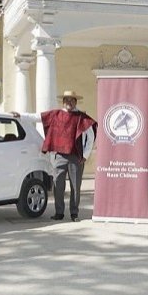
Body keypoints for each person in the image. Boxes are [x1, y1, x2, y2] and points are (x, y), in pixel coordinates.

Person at [12, 91, 97, 222]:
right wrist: (21, 116)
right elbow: (37, 117)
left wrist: (85, 155)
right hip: (59, 156)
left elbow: (90, 137)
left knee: (75, 186)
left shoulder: (82, 117)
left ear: (75, 102)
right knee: (58, 185)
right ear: (63, 102)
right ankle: (59, 213)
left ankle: (74, 213)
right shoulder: (56, 114)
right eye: (67, 100)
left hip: (76, 157)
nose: (69, 102)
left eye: (72, 100)